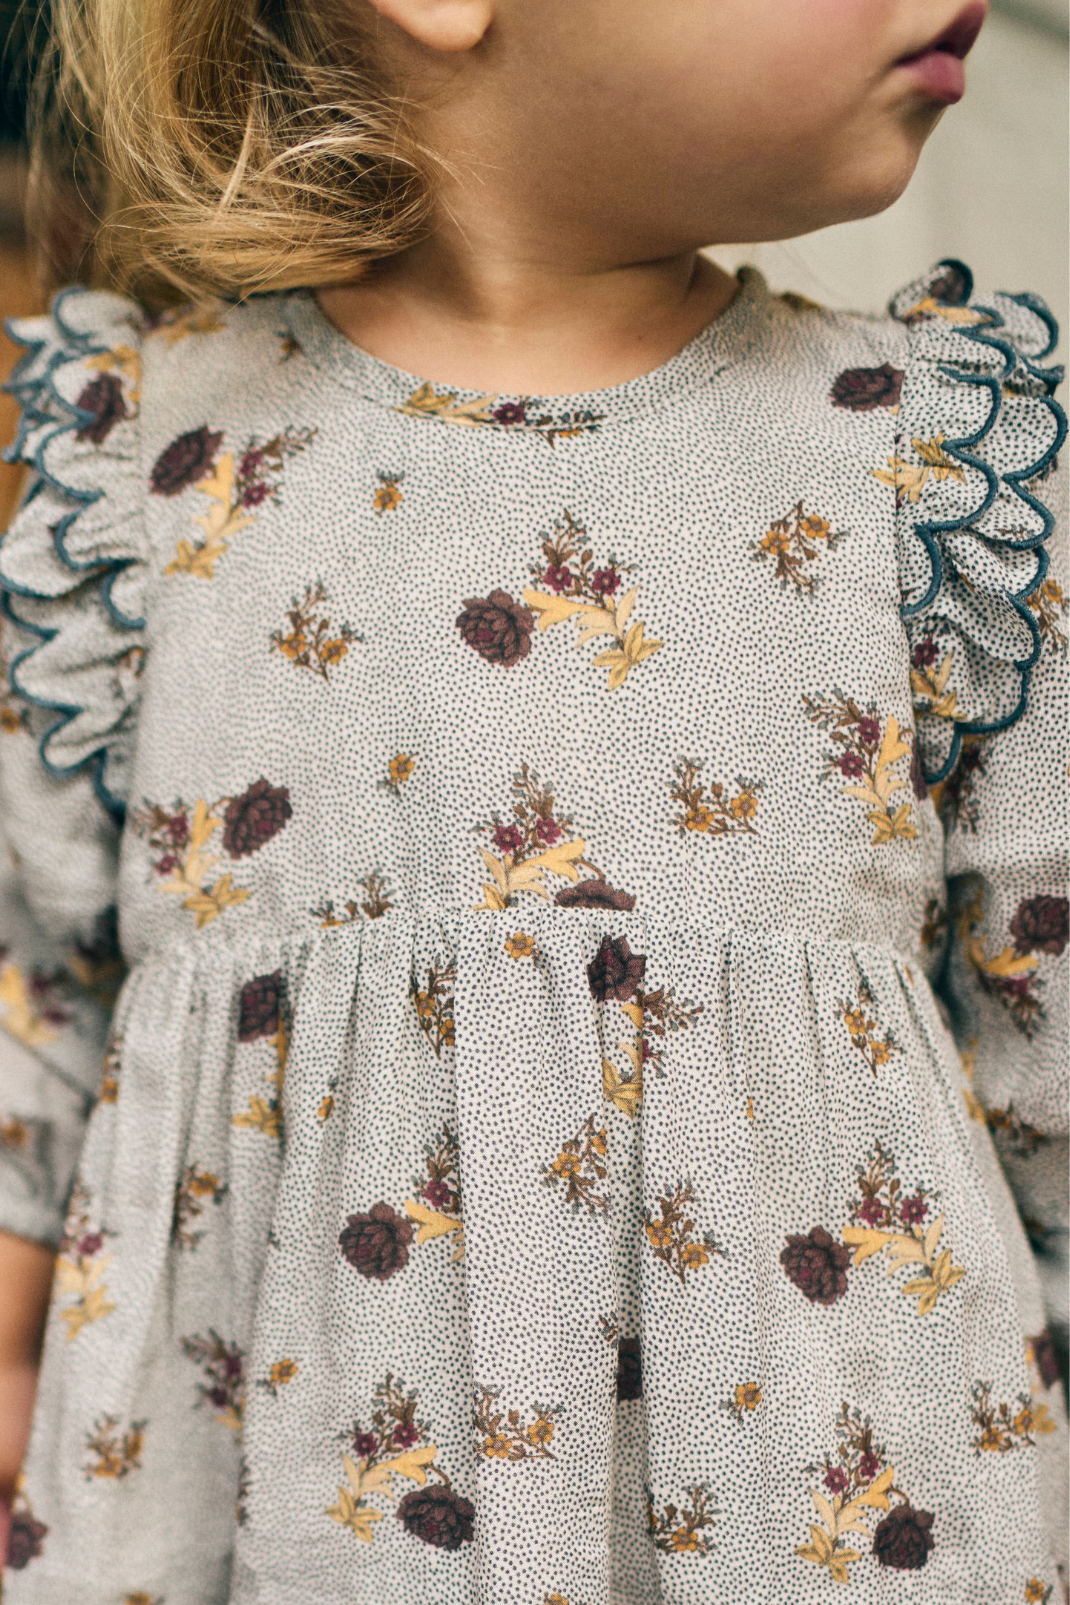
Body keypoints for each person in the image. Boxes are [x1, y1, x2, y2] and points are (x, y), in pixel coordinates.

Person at [0, 0, 1066, 1599]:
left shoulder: (931, 474)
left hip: (825, 1511)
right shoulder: (149, 469)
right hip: (281, 1513)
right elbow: (34, 1008)